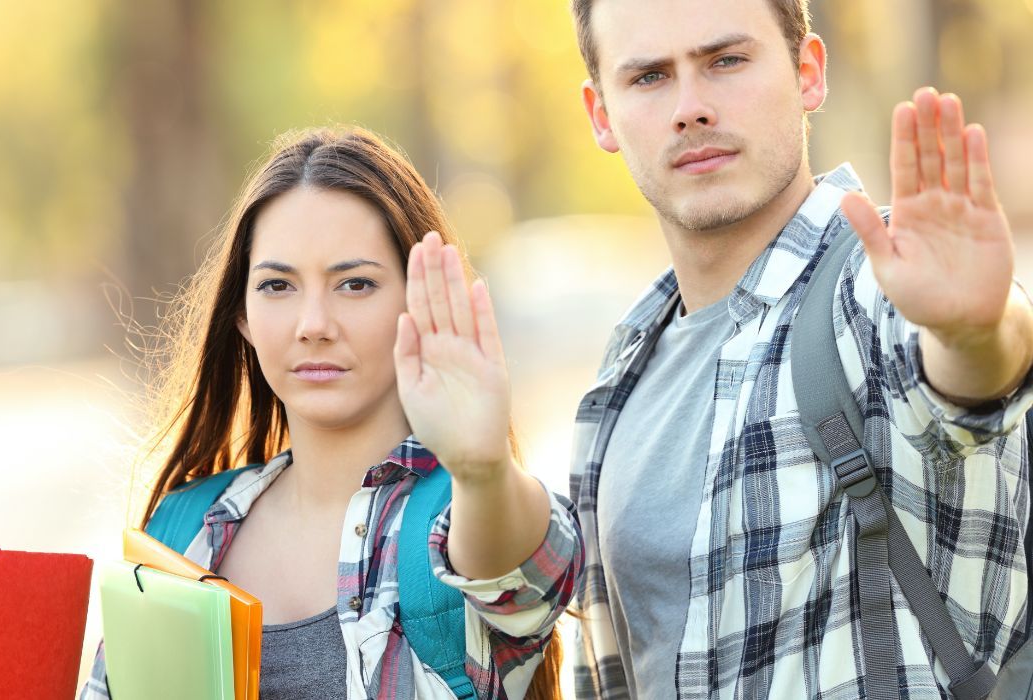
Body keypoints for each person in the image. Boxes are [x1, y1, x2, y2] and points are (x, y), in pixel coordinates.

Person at [566, 0, 1033, 697]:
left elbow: (972, 377)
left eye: (726, 60)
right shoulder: (622, 375)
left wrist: (974, 332)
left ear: (808, 72)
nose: (691, 107)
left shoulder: (885, 283)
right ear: (602, 114)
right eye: (650, 77)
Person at [82, 127, 583, 699]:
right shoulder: (182, 534)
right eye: (277, 285)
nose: (313, 324)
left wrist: (484, 471)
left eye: (355, 283)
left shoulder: (464, 517)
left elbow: (535, 565)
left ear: (418, 302)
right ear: (241, 316)